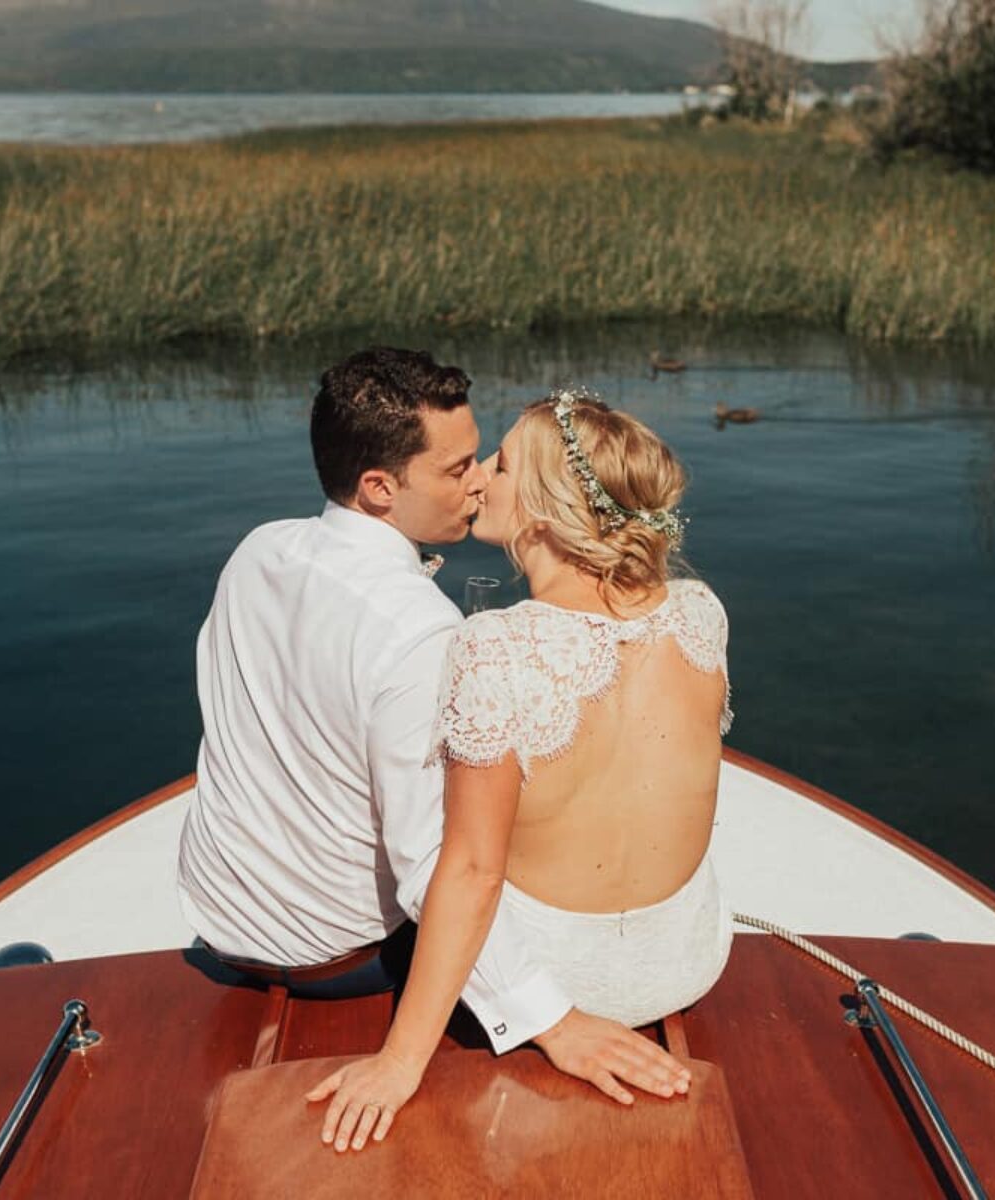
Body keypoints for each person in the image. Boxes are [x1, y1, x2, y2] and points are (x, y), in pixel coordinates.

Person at [177, 351, 690, 1094]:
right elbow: (437, 866)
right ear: (380, 488)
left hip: (222, 921)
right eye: (455, 471)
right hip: (340, 958)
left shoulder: (258, 550)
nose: (479, 479)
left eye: (479, 458)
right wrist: (554, 1022)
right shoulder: (420, 633)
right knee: (507, 831)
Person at [308, 386, 733, 1152]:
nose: (478, 480)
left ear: (538, 509)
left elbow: (471, 870)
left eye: (497, 465)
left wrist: (400, 1063)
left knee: (424, 860)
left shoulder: (493, 647)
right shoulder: (702, 612)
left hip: (562, 986)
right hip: (688, 959)